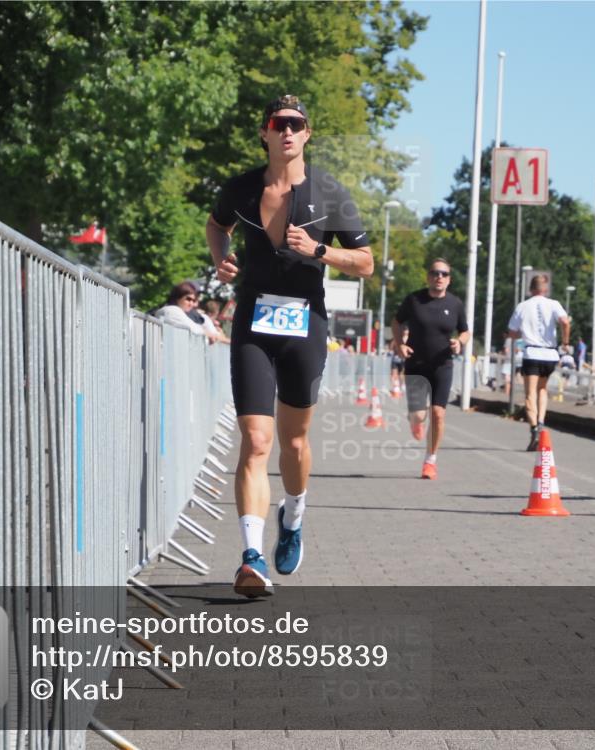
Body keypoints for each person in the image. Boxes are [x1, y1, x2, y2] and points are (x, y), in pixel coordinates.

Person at [206, 94, 373, 597]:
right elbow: (217, 225)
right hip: (253, 324)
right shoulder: (240, 187)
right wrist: (223, 257)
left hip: (306, 324)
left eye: (296, 124)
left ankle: (294, 514)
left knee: (294, 443)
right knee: (257, 442)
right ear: (264, 132)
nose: (287, 131)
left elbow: (365, 262)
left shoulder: (330, 192)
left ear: (307, 133)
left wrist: (321, 251)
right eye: (278, 123)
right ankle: (251, 558)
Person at [392, 258, 469, 480]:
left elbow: (465, 331)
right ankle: (416, 421)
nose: (439, 277)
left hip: (442, 365)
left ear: (449, 279)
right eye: (435, 273)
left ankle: (430, 461)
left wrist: (460, 342)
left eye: (444, 274)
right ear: (428, 277)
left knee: (438, 413)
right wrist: (400, 345)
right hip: (416, 364)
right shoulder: (414, 300)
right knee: (418, 415)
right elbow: (396, 322)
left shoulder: (455, 304)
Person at [507, 274, 571, 451]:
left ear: (531, 289)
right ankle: (541, 422)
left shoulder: (523, 306)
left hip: (532, 352)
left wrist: (523, 333)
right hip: (550, 354)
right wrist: (565, 342)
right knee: (542, 390)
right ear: (546, 289)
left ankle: (534, 428)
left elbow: (512, 332)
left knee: (530, 394)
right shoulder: (554, 304)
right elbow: (565, 322)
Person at [153, 282, 219, 344]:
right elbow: (193, 329)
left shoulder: (176, 311)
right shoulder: (171, 310)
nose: (191, 304)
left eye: (193, 301)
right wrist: (208, 334)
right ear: (177, 298)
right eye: (188, 299)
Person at [390, 327, 407, 393]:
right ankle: (395, 386)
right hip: (395, 359)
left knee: (401, 374)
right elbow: (391, 348)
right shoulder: (395, 339)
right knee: (394, 373)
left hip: (402, 359)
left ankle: (402, 385)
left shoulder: (406, 339)